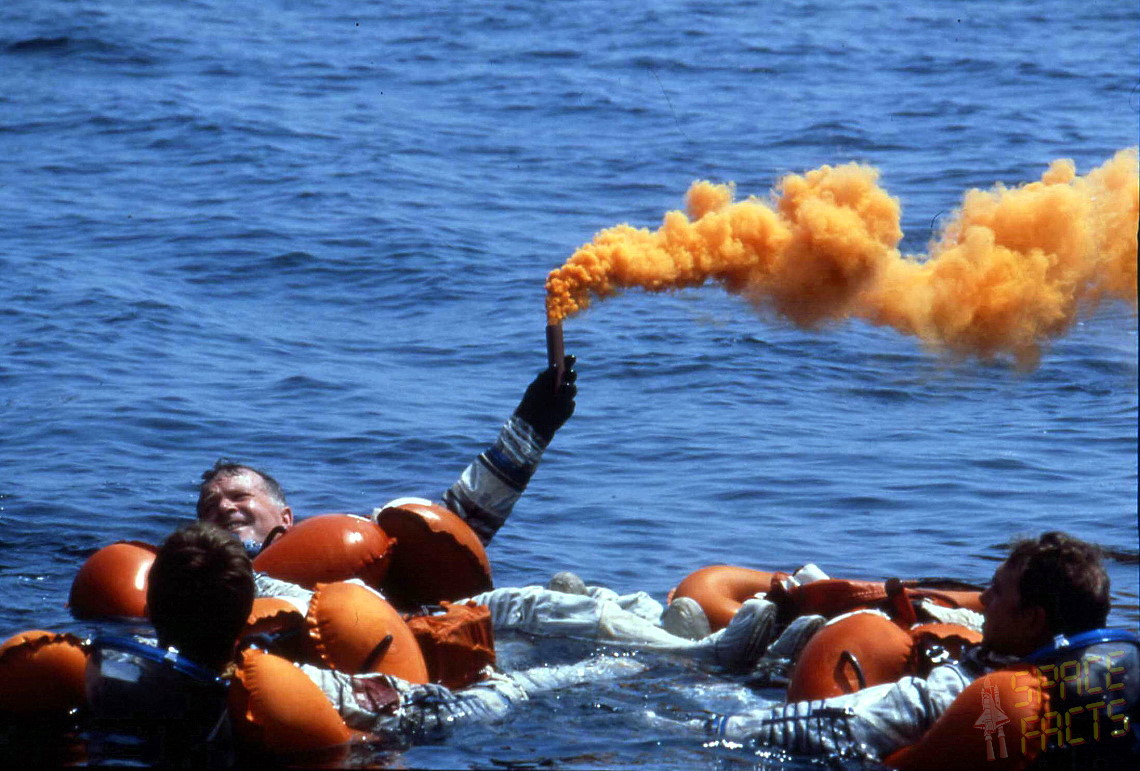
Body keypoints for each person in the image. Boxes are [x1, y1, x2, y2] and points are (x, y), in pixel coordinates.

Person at [693, 532, 1139, 766]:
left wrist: (714, 731)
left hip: (800, 732)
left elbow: (847, 725)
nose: (983, 599)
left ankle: (722, 652)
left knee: (689, 697)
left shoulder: (982, 699)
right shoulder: (1103, 682)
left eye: (997, 592)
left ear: (1033, 619)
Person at [196, 359, 577, 554]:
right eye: (211, 507)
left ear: (286, 517)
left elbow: (456, 524)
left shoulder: (345, 551)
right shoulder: (189, 579)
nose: (225, 508)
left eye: (240, 497)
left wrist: (531, 428)